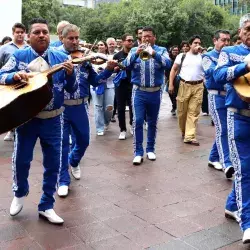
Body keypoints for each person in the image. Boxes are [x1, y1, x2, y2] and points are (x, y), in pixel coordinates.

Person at [0, 18, 76, 224]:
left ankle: (47, 205)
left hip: (54, 119)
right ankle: (19, 193)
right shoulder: (19, 55)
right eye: (37, 32)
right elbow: (1, 74)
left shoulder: (61, 56)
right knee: (22, 160)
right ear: (28, 36)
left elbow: (71, 88)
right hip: (27, 119)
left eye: (45, 32)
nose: (42, 35)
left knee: (53, 163)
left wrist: (70, 75)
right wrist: (14, 76)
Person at [57, 24, 117, 197]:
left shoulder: (84, 61)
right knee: (62, 144)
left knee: (83, 141)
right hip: (61, 107)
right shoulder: (56, 56)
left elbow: (96, 81)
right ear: (62, 38)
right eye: (71, 38)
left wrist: (108, 69)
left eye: (77, 38)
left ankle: (74, 161)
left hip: (80, 106)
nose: (75, 42)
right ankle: (63, 180)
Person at [214, 13, 250, 244]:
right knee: (245, 169)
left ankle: (231, 205)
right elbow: (217, 75)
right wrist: (243, 66)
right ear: (240, 32)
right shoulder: (229, 52)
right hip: (238, 117)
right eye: (249, 28)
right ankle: (247, 223)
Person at [123, 26, 171, 165]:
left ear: (154, 37)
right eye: (144, 36)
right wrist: (135, 54)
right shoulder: (133, 50)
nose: (146, 38)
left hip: (155, 92)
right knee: (137, 121)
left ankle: (150, 149)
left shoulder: (161, 50)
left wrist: (154, 53)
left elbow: (167, 64)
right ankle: (138, 152)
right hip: (139, 91)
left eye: (149, 36)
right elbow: (125, 65)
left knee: (152, 121)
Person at [202, 29, 234, 179]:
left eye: (228, 40)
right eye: (223, 40)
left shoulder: (230, 55)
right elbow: (213, 74)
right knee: (223, 129)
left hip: (229, 96)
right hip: (216, 96)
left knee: (225, 129)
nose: (226, 43)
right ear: (215, 40)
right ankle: (227, 162)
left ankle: (213, 157)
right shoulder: (208, 56)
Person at [169, 35, 204, 146]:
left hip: (198, 86)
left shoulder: (203, 57)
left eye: (199, 43)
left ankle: (190, 136)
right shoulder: (182, 56)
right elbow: (173, 70)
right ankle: (185, 132)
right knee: (182, 112)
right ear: (190, 45)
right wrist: (170, 84)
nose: (197, 45)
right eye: (195, 43)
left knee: (193, 112)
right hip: (184, 85)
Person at [0, 22, 29, 142]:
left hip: (27, 83)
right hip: (10, 83)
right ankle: (10, 130)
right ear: (13, 33)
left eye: (22, 32)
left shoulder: (29, 48)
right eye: (18, 32)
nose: (20, 34)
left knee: (24, 108)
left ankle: (22, 131)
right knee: (10, 107)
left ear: (25, 33)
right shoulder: (4, 48)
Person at [90, 41, 115, 135]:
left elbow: (115, 72)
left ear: (105, 47)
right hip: (96, 86)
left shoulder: (111, 58)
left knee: (109, 107)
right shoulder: (92, 58)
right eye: (99, 45)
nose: (100, 46)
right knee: (98, 107)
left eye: (102, 45)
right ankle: (99, 128)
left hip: (109, 84)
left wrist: (106, 72)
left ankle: (106, 121)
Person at [113, 33, 134, 140]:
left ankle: (132, 125)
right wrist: (116, 69)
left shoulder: (135, 54)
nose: (131, 42)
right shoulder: (117, 56)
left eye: (132, 40)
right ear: (123, 42)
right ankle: (122, 129)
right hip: (120, 84)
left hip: (133, 83)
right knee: (120, 108)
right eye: (129, 40)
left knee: (133, 107)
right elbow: (113, 69)